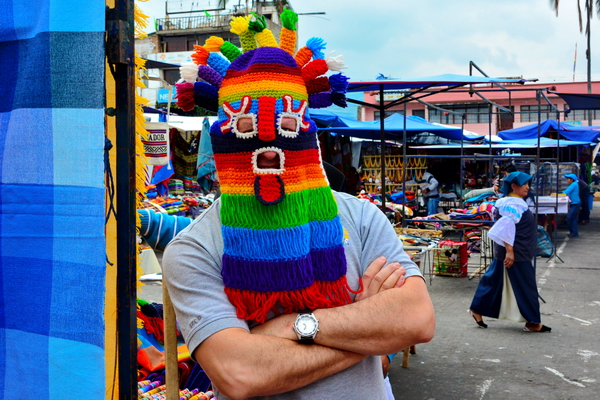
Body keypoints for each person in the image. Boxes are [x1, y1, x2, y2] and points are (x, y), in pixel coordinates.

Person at [162, 12, 435, 399]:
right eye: (246, 128)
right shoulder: (193, 250)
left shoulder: (360, 218)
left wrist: (291, 326)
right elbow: (241, 374)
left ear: (305, 127)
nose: (269, 151)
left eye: (286, 125)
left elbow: (417, 319)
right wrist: (367, 333)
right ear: (224, 134)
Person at [469, 171, 551, 333]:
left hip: (513, 250)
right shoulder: (512, 203)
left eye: (528, 184)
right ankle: (533, 322)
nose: (528, 187)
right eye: (524, 184)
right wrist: (510, 252)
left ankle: (477, 308)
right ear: (513, 186)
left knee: (494, 280)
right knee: (526, 286)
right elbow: (506, 227)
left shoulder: (513, 202)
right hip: (516, 251)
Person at [562, 173, 581, 238]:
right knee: (573, 219)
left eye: (568, 179)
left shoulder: (573, 184)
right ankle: (574, 233)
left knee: (569, 218)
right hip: (575, 203)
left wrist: (558, 193)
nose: (567, 180)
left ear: (571, 179)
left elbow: (566, 192)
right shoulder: (574, 184)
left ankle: (573, 232)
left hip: (575, 203)